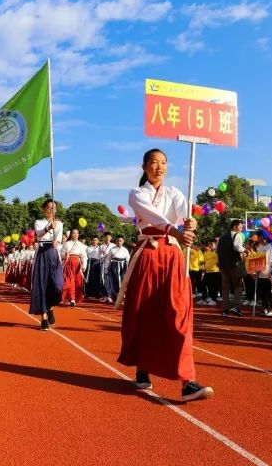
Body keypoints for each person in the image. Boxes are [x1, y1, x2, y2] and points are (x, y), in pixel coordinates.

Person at [117, 148, 213, 402]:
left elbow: (185, 213)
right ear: (144, 166)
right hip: (149, 254)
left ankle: (187, 382)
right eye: (153, 162)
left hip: (172, 256)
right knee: (144, 312)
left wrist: (190, 222)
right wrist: (175, 229)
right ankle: (142, 368)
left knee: (179, 313)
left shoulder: (175, 193)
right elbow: (151, 217)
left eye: (163, 163)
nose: (159, 167)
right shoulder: (137, 194)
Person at [29, 199, 64, 331]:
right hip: (42, 253)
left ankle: (50, 308)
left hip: (54, 254)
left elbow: (59, 238)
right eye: (49, 207)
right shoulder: (39, 222)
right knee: (41, 286)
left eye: (53, 208)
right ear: (44, 209)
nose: (51, 210)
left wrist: (58, 242)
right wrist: (49, 227)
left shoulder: (59, 223)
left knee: (57, 285)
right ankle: (44, 318)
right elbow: (39, 233)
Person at [218, 220, 248, 317]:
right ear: (234, 227)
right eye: (240, 227)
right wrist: (246, 250)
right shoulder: (237, 235)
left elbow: (216, 250)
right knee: (238, 285)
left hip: (223, 265)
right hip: (234, 264)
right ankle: (236, 307)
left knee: (225, 287)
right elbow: (237, 247)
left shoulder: (221, 237)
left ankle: (224, 310)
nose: (241, 229)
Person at [61, 229, 87, 306]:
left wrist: (84, 265)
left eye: (77, 233)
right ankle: (70, 298)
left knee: (78, 281)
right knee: (69, 281)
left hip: (78, 264)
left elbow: (84, 256)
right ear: (71, 234)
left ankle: (74, 298)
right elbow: (62, 255)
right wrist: (65, 255)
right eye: (74, 233)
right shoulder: (66, 244)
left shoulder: (81, 245)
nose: (75, 235)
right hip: (69, 263)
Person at [104, 235, 130, 304]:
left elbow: (128, 260)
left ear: (123, 241)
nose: (119, 242)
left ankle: (122, 297)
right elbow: (108, 260)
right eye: (117, 241)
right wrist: (106, 269)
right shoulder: (112, 250)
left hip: (122, 267)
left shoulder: (125, 250)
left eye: (120, 241)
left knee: (122, 282)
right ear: (115, 241)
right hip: (114, 266)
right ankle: (115, 297)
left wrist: (128, 269)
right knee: (114, 281)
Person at [202, 241, 220, 306]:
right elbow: (204, 261)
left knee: (214, 286)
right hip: (207, 271)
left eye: (212, 244)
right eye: (209, 244)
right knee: (205, 284)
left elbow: (219, 262)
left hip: (215, 271)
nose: (210, 245)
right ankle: (209, 297)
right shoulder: (206, 252)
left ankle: (214, 300)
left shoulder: (217, 252)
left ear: (215, 245)